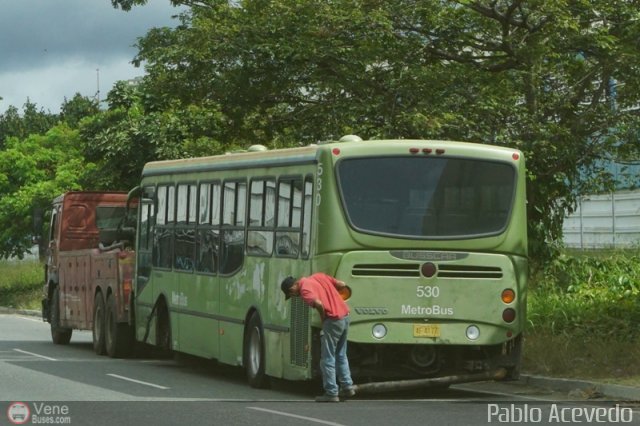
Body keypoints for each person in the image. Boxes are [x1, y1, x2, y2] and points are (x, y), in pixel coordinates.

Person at [281, 273, 356, 402]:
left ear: (292, 288)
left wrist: (323, 318)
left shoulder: (304, 290)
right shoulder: (319, 276)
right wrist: (332, 297)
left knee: (327, 358)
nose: (294, 296)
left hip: (332, 320)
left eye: (291, 294)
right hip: (345, 316)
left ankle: (331, 392)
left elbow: (319, 303)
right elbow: (342, 284)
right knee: (341, 354)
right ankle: (347, 386)